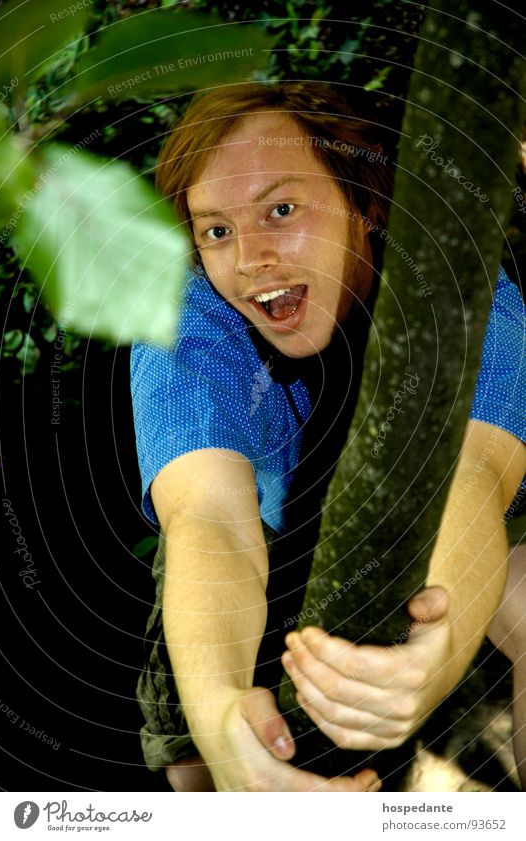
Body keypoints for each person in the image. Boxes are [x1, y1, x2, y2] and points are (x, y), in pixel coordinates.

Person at [130, 82, 526, 792]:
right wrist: (222, 724)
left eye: (282, 210)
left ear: (363, 206)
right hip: (270, 529)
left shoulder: (452, 288)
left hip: (443, 518)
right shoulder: (185, 307)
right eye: (217, 229)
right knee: (206, 749)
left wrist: (434, 656)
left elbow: (470, 473)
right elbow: (208, 515)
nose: (250, 257)